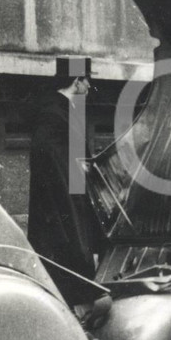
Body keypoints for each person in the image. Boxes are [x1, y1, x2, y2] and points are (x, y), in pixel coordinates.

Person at [27, 57, 104, 305]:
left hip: (67, 198)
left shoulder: (62, 110)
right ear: (76, 81)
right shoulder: (53, 114)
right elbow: (52, 159)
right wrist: (79, 169)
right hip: (61, 205)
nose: (90, 86)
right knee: (68, 257)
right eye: (87, 80)